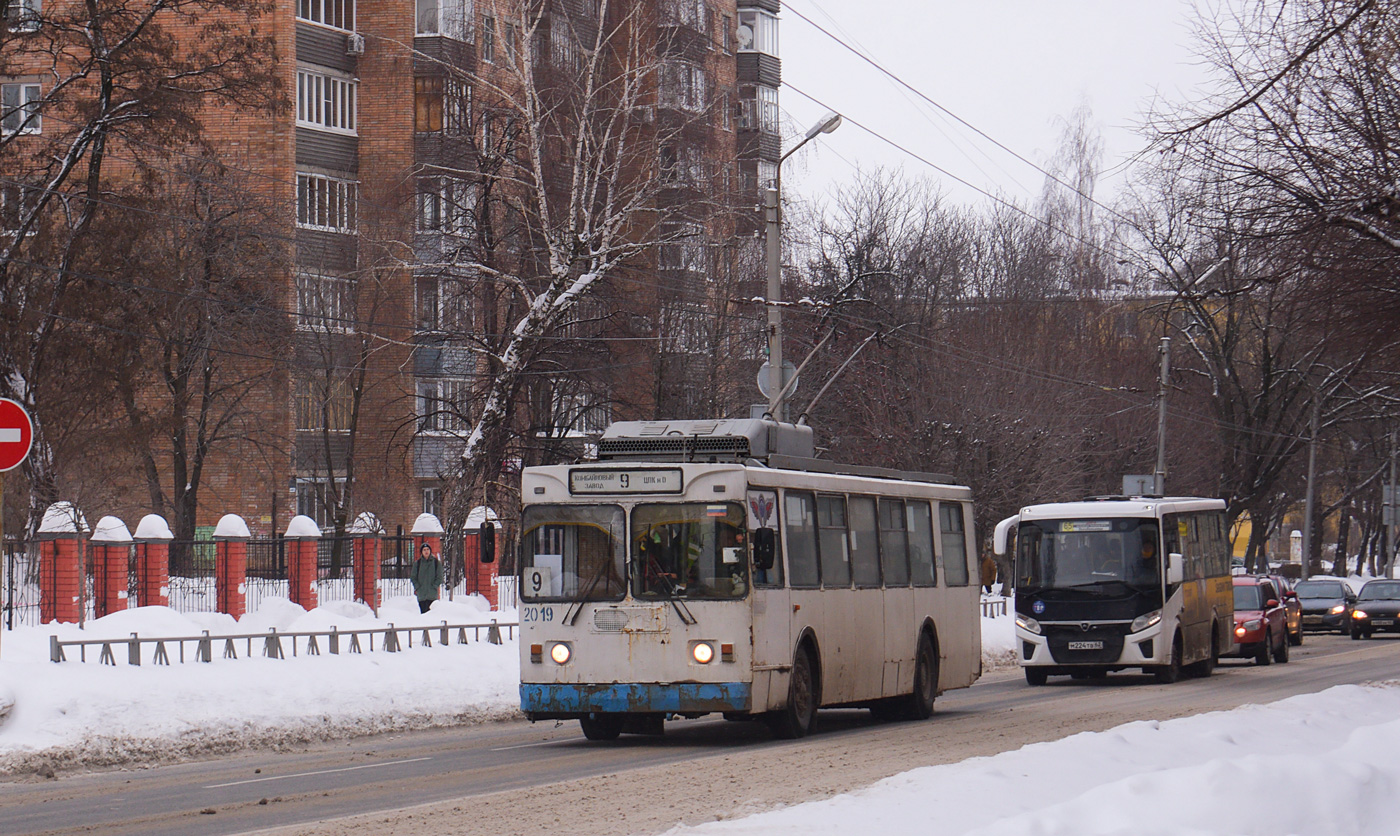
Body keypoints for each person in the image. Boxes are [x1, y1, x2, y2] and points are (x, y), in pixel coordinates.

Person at [411, 543, 443, 614]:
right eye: (424, 550)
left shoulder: (436, 563)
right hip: (421, 595)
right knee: (423, 614)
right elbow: (413, 577)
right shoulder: (418, 564)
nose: (426, 551)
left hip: (432, 595)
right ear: (421, 552)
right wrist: (418, 587)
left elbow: (440, 577)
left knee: (432, 615)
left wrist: (434, 586)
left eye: (428, 549)